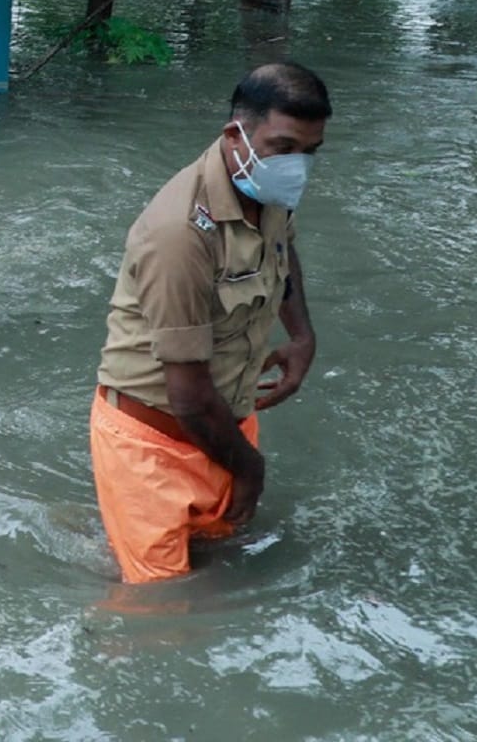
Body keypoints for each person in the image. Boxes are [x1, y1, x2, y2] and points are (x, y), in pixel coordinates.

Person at [89, 63, 331, 584]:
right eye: (284, 146)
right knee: (160, 607)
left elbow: (282, 248)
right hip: (153, 445)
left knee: (220, 562)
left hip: (225, 425)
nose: (297, 167)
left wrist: (302, 336)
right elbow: (188, 396)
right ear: (234, 135)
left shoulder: (266, 192)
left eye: (310, 153)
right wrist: (251, 468)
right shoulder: (178, 233)